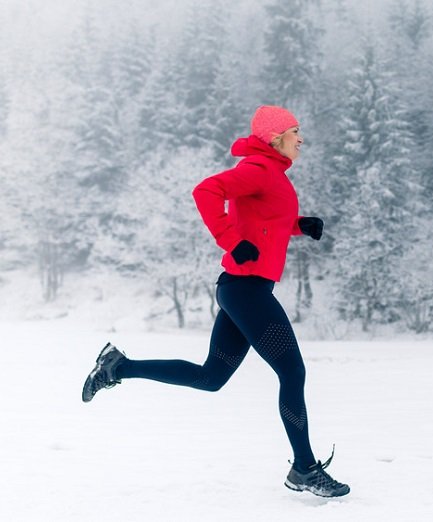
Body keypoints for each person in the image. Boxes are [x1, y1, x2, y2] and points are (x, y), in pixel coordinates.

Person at [81, 105, 350, 498]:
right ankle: (304, 468)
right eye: (295, 131)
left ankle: (118, 366)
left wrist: (297, 226)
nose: (301, 138)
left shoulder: (270, 173)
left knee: (211, 378)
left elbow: (263, 220)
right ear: (276, 138)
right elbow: (206, 190)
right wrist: (229, 240)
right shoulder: (258, 169)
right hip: (246, 290)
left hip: (243, 290)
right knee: (292, 374)